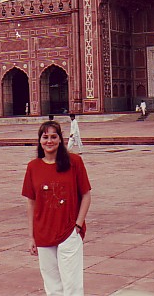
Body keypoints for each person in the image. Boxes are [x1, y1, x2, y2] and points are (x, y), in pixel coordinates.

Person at [22, 120, 91, 296]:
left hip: (68, 232)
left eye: (54, 136)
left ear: (61, 139)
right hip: (43, 233)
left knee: (72, 285)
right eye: (45, 137)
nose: (49, 141)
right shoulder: (33, 167)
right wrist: (31, 236)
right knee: (52, 286)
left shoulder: (74, 162)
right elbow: (31, 202)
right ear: (40, 141)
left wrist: (77, 225)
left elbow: (86, 195)